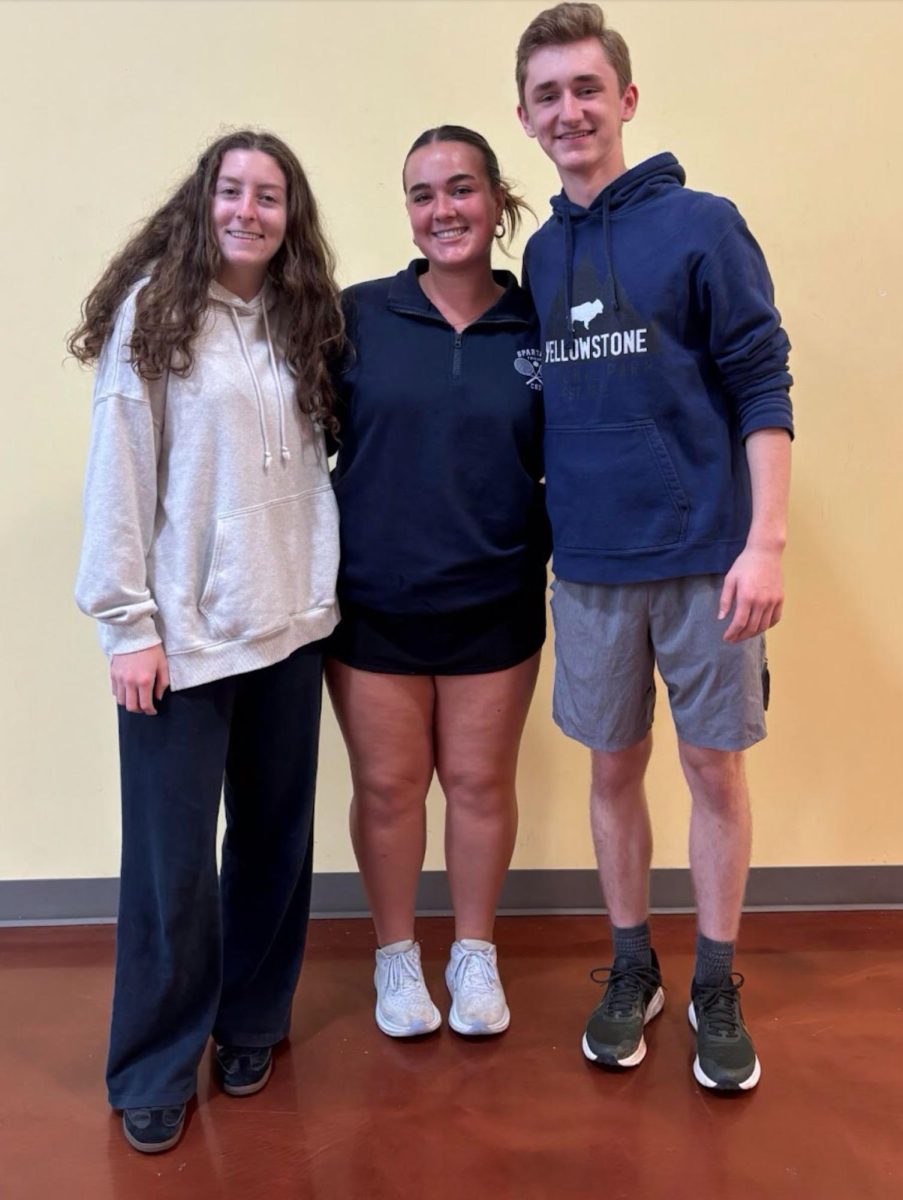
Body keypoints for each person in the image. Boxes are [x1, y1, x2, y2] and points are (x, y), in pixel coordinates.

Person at [515, 3, 793, 1090]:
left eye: (588, 88)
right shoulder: (540, 253)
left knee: (712, 769)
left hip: (705, 561)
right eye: (549, 95)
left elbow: (763, 385)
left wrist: (763, 542)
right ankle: (634, 966)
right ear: (528, 119)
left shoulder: (705, 226)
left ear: (625, 100)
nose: (570, 109)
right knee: (612, 769)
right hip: (587, 570)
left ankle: (716, 978)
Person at [71, 130, 344, 1152]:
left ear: (290, 216)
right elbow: (120, 476)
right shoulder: (155, 314)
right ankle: (151, 1063)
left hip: (290, 628)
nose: (248, 210)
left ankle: (252, 1021)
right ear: (204, 200)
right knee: (171, 866)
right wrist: (128, 626)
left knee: (275, 844)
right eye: (231, 190)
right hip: (182, 645)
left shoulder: (300, 316)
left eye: (268, 195)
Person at [327, 126, 548, 1039]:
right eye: (423, 194)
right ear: (408, 212)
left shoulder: (541, 321)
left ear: (496, 199)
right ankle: (393, 958)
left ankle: (472, 952)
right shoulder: (357, 316)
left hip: (494, 599)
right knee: (386, 789)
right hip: (371, 601)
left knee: (476, 783)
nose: (443, 209)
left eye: (461, 189)